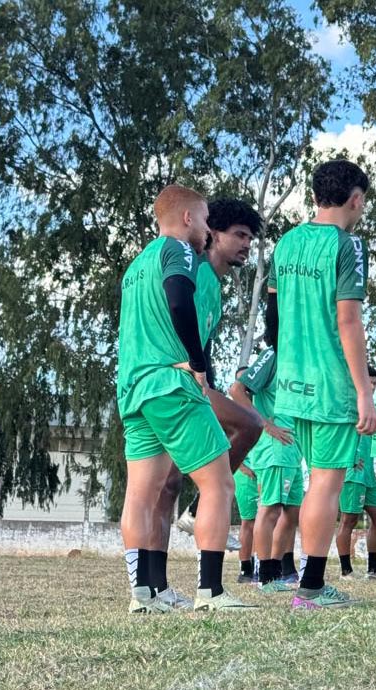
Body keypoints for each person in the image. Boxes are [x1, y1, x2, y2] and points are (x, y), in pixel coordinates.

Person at [122, 198, 265, 607]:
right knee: (221, 477)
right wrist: (197, 367)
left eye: (250, 238)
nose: (246, 244)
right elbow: (178, 304)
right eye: (239, 235)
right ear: (207, 230)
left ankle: (147, 592)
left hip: (136, 386)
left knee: (152, 490)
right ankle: (210, 590)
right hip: (173, 382)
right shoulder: (187, 258)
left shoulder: (143, 266)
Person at [267, 159, 376, 610]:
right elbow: (348, 321)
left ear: (315, 196)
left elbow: (273, 318)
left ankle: (307, 584)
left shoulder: (286, 243)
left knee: (316, 480)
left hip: (291, 383)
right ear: (356, 199)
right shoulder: (347, 245)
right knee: (325, 484)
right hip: (332, 384)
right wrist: (364, 392)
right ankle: (311, 588)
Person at [229, 343, 304, 593]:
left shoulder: (301, 357)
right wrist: (266, 425)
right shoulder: (273, 354)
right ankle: (265, 577)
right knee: (270, 509)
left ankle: (277, 572)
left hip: (294, 450)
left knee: (291, 513)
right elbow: (236, 390)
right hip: (275, 449)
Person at [336, 366, 376, 580]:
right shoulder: (349, 404)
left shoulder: (373, 408)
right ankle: (346, 570)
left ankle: (373, 569)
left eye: (375, 383)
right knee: (348, 519)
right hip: (352, 473)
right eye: (369, 382)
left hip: (369, 475)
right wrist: (350, 460)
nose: (372, 386)